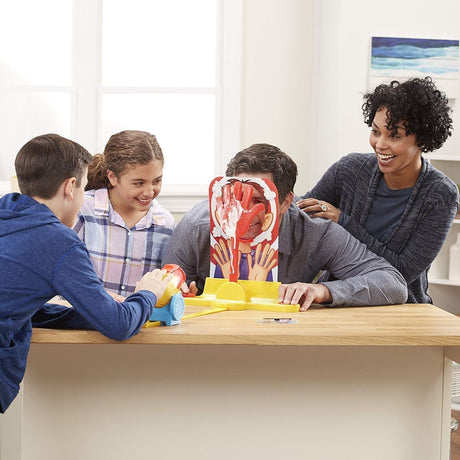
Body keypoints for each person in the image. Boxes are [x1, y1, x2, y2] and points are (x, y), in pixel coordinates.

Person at [0, 134, 175, 413]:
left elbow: (22, 307)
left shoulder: (8, 215)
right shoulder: (58, 241)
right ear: (70, 187)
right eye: (83, 187)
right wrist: (147, 293)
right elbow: (119, 326)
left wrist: (93, 310)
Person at [162, 143, 408, 310]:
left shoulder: (315, 232)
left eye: (259, 201)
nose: (244, 212)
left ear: (285, 202)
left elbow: (393, 284)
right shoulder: (197, 226)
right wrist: (178, 291)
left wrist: (322, 291)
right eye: (237, 197)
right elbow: (166, 288)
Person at [297, 77, 458, 304]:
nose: (380, 144)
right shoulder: (349, 170)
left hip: (400, 307)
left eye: (394, 135)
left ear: (422, 139)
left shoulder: (440, 195)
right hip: (336, 301)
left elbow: (401, 273)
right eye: (375, 131)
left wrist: (343, 221)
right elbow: (298, 219)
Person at [73, 130, 175, 297]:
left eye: (157, 181)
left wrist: (177, 288)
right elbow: (66, 275)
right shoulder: (83, 210)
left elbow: (163, 284)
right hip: (85, 312)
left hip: (138, 314)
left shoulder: (164, 223)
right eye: (139, 183)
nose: (149, 192)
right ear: (112, 177)